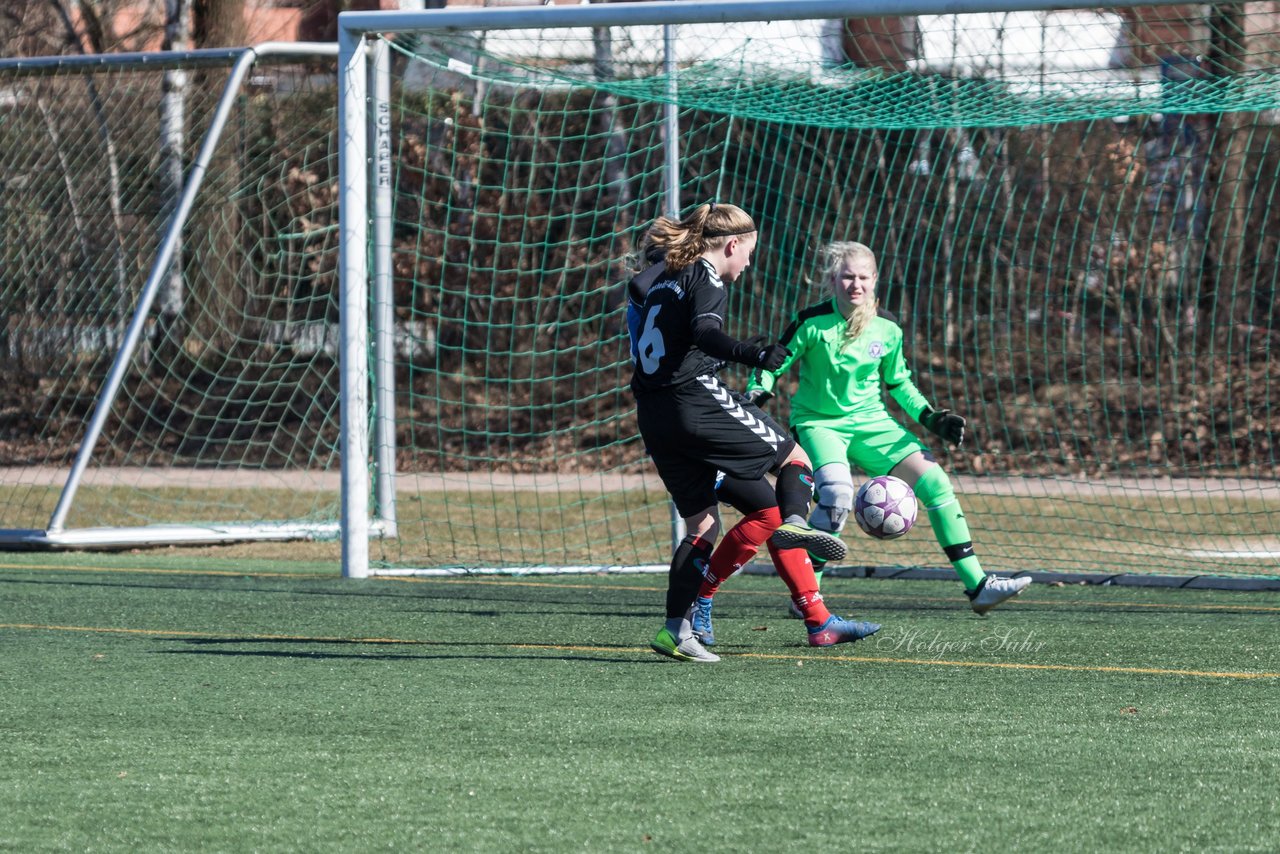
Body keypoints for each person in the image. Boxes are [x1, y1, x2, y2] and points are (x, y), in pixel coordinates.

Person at [725, 240, 1030, 628]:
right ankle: (807, 595)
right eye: (848, 276)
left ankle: (978, 586)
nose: (856, 284)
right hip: (820, 423)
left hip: (873, 423)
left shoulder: (887, 327)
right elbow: (774, 362)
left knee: (935, 481)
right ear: (833, 279)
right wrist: (759, 388)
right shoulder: (811, 321)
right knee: (835, 496)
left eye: (863, 277)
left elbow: (899, 382)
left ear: (875, 281)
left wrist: (931, 417)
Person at [627, 204, 881, 663]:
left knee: (703, 526)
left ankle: (674, 631)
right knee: (794, 457)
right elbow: (705, 332)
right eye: (747, 253)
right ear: (730, 245)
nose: (747, 264)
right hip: (693, 400)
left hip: (654, 414)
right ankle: (798, 525)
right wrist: (752, 353)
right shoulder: (706, 276)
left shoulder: (663, 280)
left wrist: (670, 256)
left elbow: (638, 284)